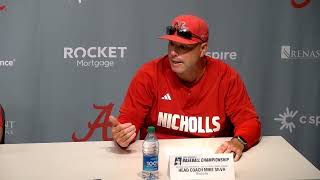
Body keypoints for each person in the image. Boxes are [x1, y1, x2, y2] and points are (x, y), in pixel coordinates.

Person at [109, 14, 261, 161]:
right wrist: (122, 136)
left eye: (183, 47)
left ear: (203, 49)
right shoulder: (149, 74)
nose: (173, 53)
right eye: (171, 44)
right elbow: (127, 123)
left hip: (210, 160)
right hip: (159, 159)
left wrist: (239, 141)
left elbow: (249, 122)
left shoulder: (226, 77)